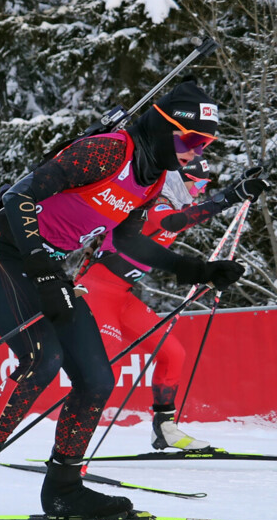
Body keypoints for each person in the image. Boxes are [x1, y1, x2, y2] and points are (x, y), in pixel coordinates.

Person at [0, 81, 266, 519]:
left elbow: (129, 242)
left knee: (96, 378)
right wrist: (39, 264)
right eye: (192, 140)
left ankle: (64, 488)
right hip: (1, 252)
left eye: (206, 143)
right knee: (42, 358)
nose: (197, 152)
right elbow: (18, 195)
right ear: (164, 128)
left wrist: (197, 270)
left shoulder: (150, 182)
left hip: (46, 265)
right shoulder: (109, 151)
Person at [78, 159, 238, 451]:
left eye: (205, 187)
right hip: (97, 292)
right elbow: (172, 222)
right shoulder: (155, 204)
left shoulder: (173, 205)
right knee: (100, 373)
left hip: (122, 296)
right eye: (198, 184)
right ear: (180, 180)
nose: (200, 192)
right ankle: (68, 453)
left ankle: (164, 429)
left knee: (173, 353)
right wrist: (229, 198)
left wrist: (239, 190)